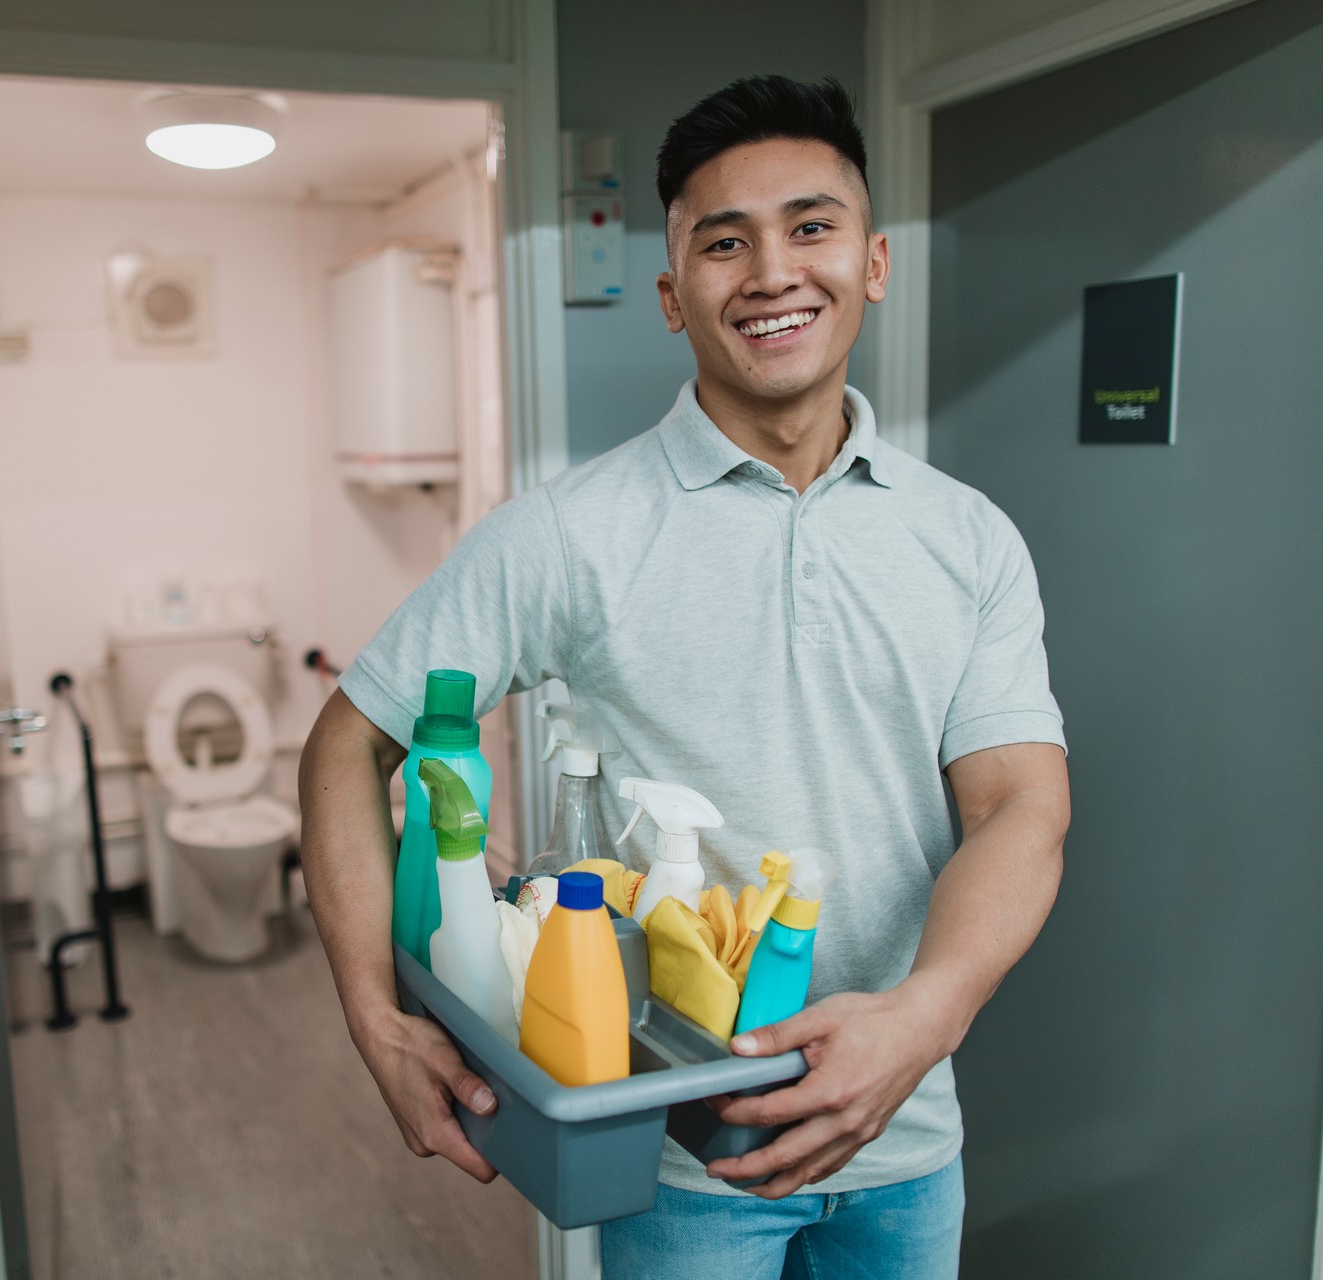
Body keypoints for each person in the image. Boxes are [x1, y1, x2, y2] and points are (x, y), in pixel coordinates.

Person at [297, 75, 1070, 1279]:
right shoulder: (566, 535)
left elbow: (1022, 804)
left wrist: (928, 1013)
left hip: (907, 1140)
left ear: (871, 262)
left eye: (810, 227)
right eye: (724, 241)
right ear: (672, 295)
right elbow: (349, 742)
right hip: (671, 1158)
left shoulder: (968, 538)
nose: (771, 272)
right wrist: (374, 1019)